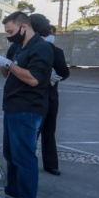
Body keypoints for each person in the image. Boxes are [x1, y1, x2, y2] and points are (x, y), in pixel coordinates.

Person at [0, 11, 53, 198]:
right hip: (13, 107)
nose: (9, 36)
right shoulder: (18, 47)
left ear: (24, 27)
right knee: (11, 153)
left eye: (10, 31)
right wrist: (2, 65)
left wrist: (8, 64)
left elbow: (33, 79)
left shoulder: (41, 47)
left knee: (24, 156)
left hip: (28, 109)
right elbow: (10, 74)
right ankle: (13, 191)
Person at [31, 16, 70, 176]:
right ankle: (27, 162)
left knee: (48, 130)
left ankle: (51, 164)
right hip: (33, 97)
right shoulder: (26, 48)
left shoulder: (55, 51)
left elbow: (64, 72)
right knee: (32, 132)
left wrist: (56, 76)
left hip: (50, 96)